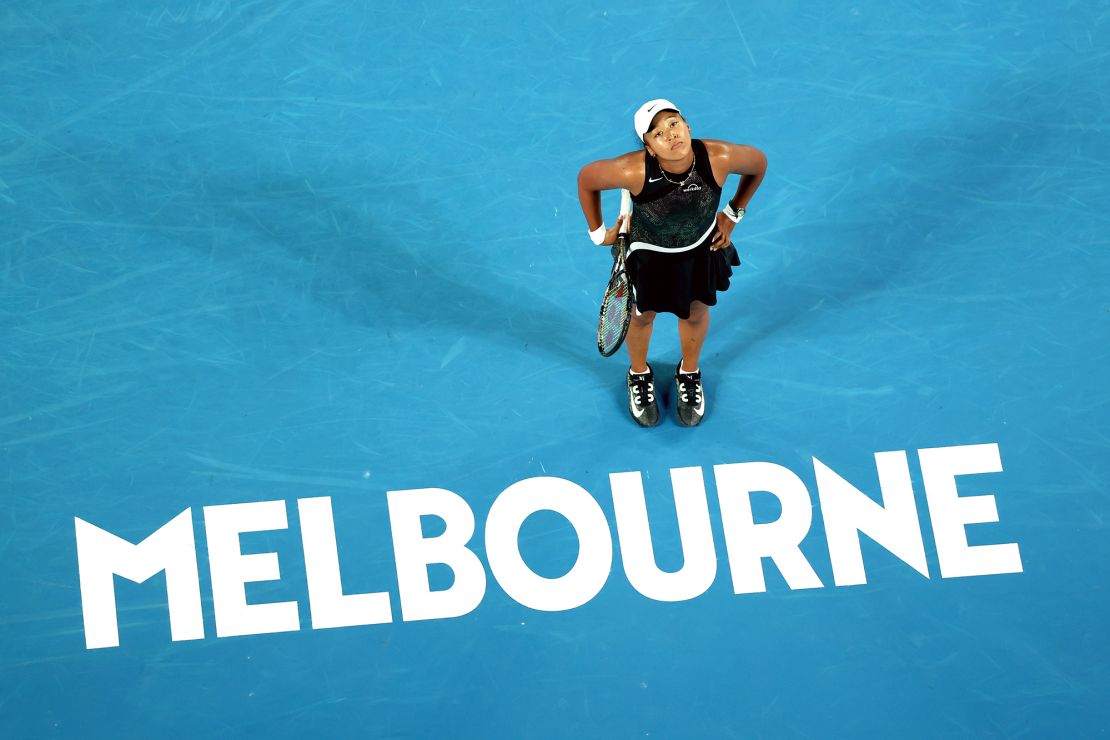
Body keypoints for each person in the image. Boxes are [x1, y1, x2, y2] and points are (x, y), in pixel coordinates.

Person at [576, 99, 767, 427]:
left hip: (700, 251)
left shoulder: (719, 158)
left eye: (674, 124)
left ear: (688, 126)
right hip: (648, 256)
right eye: (657, 133)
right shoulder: (632, 170)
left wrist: (733, 213)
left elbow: (758, 164)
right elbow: (587, 179)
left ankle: (689, 372)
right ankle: (638, 374)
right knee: (640, 317)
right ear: (649, 147)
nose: (670, 135)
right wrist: (597, 233)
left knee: (695, 313)